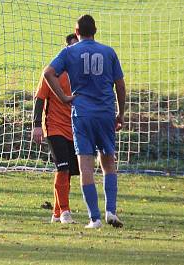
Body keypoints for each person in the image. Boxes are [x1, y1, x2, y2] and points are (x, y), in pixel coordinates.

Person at [43, 15, 126, 229]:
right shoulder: (108, 52)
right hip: (106, 112)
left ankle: (95, 219)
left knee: (85, 165)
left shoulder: (70, 52)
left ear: (76, 32)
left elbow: (48, 73)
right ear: (95, 30)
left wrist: (63, 97)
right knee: (108, 163)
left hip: (82, 114)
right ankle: (111, 211)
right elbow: (120, 85)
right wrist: (121, 113)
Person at [32, 33, 80, 224]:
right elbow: (39, 98)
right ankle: (66, 212)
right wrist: (36, 126)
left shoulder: (82, 74)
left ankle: (56, 212)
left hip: (75, 128)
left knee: (68, 173)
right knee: (62, 168)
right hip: (54, 128)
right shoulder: (53, 73)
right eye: (74, 47)